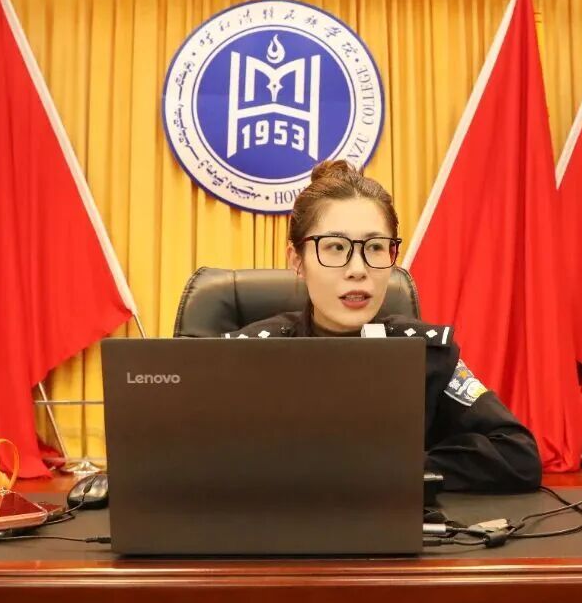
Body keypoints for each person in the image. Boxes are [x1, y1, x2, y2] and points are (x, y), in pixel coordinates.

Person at [230, 160, 542, 493]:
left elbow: (517, 455)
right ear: (297, 261)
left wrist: (397, 469)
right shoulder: (245, 354)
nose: (357, 269)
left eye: (375, 247)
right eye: (335, 247)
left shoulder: (427, 355)